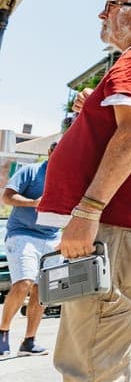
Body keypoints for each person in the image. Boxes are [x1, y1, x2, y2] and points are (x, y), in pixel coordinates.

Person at [36, 0, 131, 382]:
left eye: (110, 7)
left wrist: (87, 210)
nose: (102, 16)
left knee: (91, 366)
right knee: (94, 357)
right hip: (121, 229)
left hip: (114, 228)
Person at [0, 143, 61, 356]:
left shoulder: (70, 177)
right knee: (24, 282)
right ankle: (2, 333)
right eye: (60, 151)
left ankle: (29, 342)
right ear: (50, 152)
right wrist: (33, 202)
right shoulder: (32, 171)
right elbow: (6, 197)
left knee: (42, 291)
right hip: (22, 233)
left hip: (53, 238)